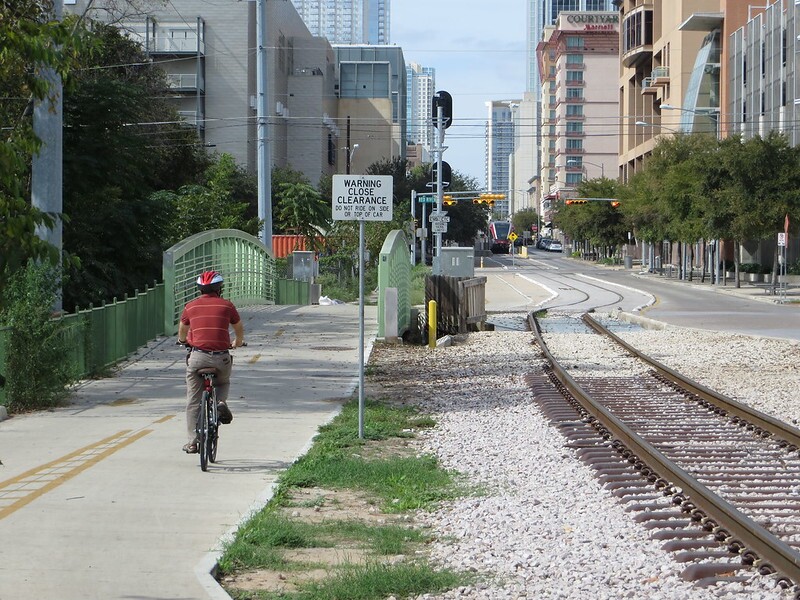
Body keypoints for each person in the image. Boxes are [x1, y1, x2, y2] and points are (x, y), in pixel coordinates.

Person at [177, 270, 244, 454]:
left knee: (193, 400)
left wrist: (183, 341)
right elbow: (238, 327)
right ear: (219, 288)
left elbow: (183, 329)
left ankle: (192, 442)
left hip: (198, 357)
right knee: (223, 381)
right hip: (221, 356)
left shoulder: (190, 306)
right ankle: (220, 402)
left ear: (199, 289)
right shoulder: (227, 306)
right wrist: (237, 342)